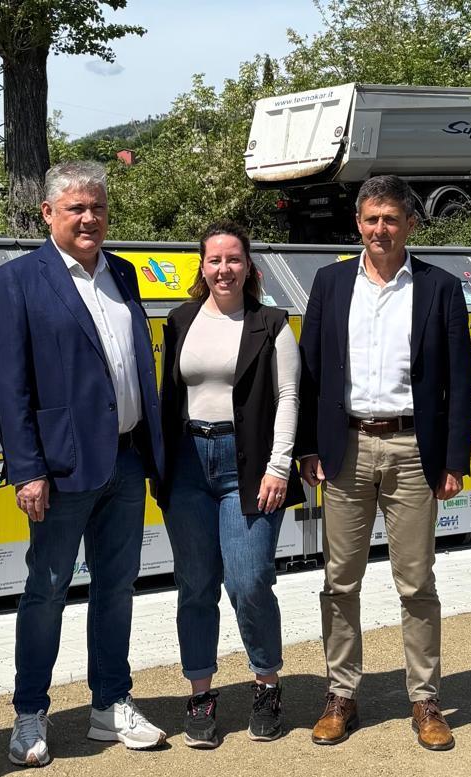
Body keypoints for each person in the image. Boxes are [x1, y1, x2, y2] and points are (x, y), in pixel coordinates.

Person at [0, 160, 168, 766]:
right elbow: (11, 387)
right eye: (76, 208)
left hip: (126, 459)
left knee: (117, 588)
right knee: (46, 590)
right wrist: (27, 469)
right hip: (60, 469)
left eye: (98, 208)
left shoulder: (123, 272)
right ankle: (29, 711)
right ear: (48, 213)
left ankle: (109, 703)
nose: (89, 218)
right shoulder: (16, 281)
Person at [296, 175, 471, 751]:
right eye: (371, 219)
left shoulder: (439, 287)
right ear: (358, 224)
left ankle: (425, 699)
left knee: (416, 581)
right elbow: (309, 371)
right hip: (345, 448)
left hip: (412, 449)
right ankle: (341, 695)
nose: (380, 229)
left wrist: (454, 458)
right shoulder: (329, 284)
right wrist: (308, 446)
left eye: (391, 219)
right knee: (339, 580)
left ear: (410, 225)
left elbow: (460, 380)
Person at [158, 221, 302, 748]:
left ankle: (267, 684)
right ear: (202, 267)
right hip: (189, 465)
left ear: (249, 267)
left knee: (248, 580)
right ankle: (200, 693)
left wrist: (278, 466)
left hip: (249, 465)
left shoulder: (272, 324)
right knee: (195, 585)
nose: (224, 269)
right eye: (215, 260)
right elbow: (169, 395)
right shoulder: (180, 320)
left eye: (233, 259)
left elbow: (289, 397)